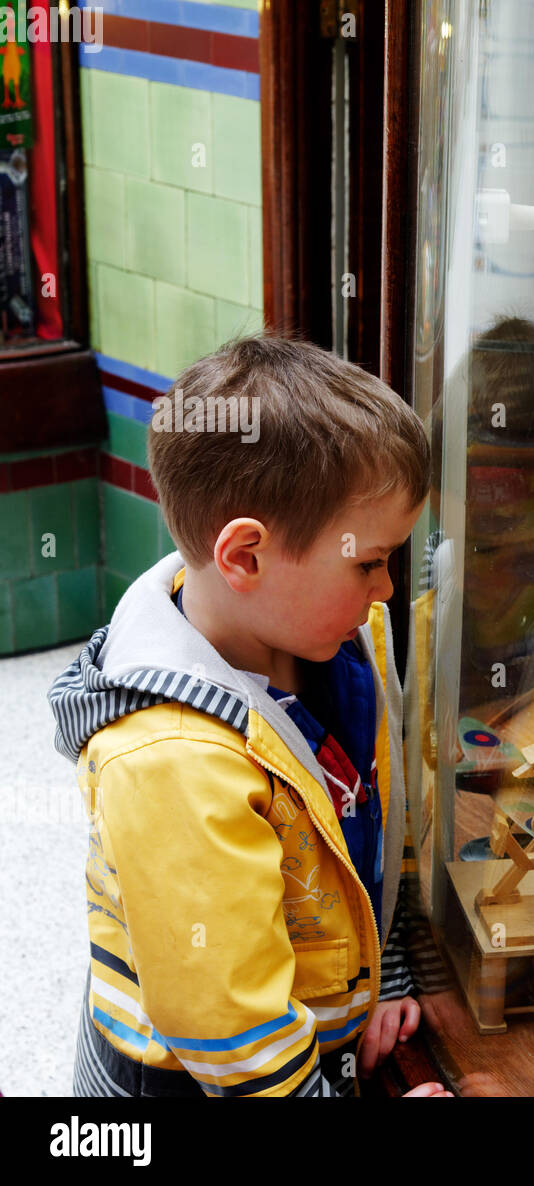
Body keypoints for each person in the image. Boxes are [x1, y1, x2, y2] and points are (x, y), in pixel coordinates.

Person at [48, 336, 454, 1097]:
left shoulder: (327, 633)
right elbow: (233, 1039)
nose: (388, 588)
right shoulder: (171, 761)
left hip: (304, 1043)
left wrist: (384, 979)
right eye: (369, 561)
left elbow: (370, 819)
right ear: (243, 557)